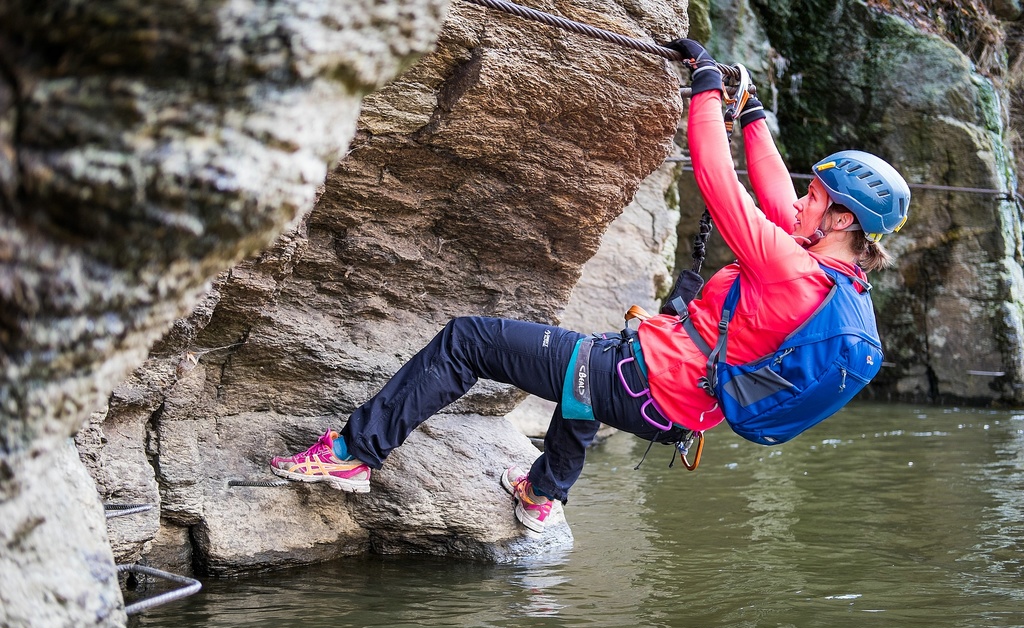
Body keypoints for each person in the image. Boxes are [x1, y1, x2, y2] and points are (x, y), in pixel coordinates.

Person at [269, 38, 911, 533]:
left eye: (816, 195)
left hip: (640, 381)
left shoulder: (787, 266)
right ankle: (542, 497)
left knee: (469, 341)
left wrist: (707, 90)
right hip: (675, 408)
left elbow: (718, 181)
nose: (801, 198)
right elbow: (774, 193)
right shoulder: (834, 279)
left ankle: (354, 452)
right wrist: (752, 116)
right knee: (582, 369)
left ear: (842, 218)